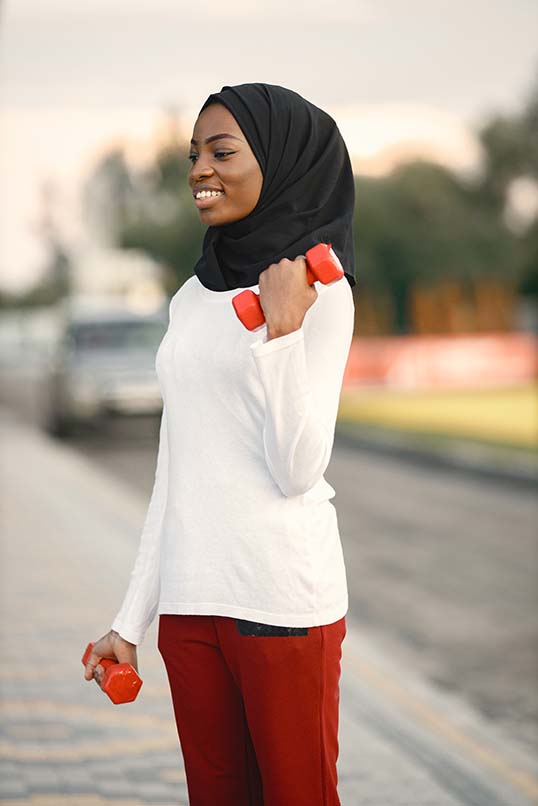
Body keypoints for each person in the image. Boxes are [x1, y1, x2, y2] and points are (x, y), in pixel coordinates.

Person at [83, 82, 356, 806]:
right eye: (194, 153)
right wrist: (129, 618)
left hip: (282, 600)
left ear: (283, 161)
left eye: (223, 151)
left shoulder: (320, 292)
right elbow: (177, 469)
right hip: (191, 604)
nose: (200, 168)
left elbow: (298, 469)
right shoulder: (190, 298)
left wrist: (283, 332)